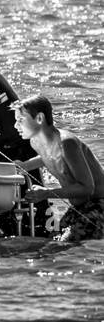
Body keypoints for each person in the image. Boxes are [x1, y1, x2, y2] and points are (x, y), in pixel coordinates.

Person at [14, 95, 104, 242]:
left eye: (20, 120)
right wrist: (25, 166)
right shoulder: (35, 142)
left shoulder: (67, 143)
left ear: (40, 119)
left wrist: (46, 193)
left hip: (99, 205)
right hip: (79, 207)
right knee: (53, 241)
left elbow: (88, 188)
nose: (16, 126)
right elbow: (49, 157)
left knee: (62, 247)